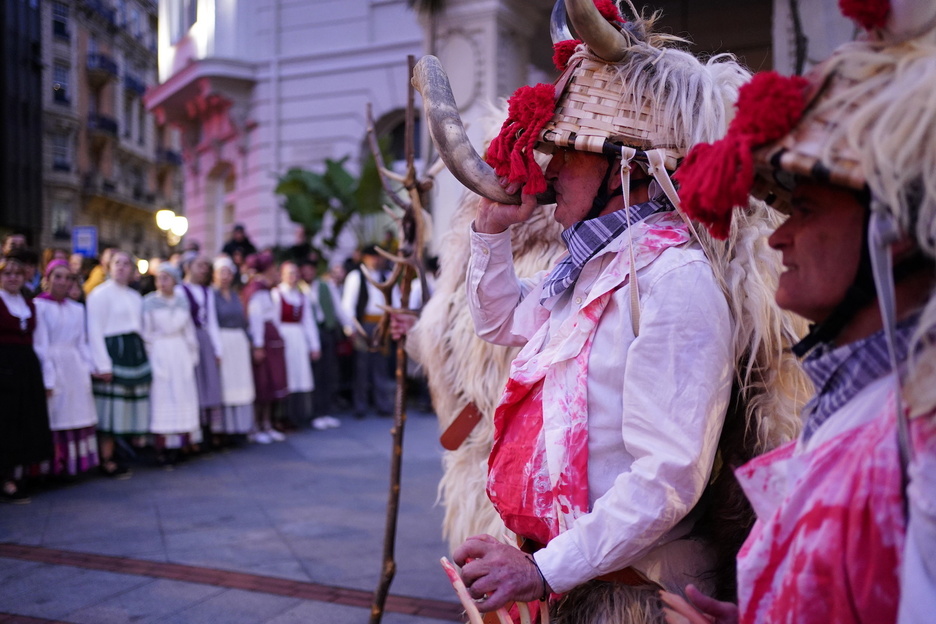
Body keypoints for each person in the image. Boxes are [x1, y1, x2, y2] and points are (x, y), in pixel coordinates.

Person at [416, 1, 807, 621]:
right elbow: (502, 324)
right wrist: (490, 234)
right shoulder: (596, 266)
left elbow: (667, 478)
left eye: (569, 153)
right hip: (577, 580)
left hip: (632, 594)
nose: (549, 175)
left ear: (625, 167)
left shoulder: (673, 279)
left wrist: (540, 569)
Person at [661, 2, 936, 623]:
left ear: (893, 227)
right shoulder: (871, 401)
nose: (778, 238)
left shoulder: (923, 435)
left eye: (805, 210)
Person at [86, 250, 151, 478]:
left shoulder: (135, 296)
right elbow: (94, 330)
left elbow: (142, 329)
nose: (122, 267)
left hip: (133, 352)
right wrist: (102, 364)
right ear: (108, 267)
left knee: (128, 406)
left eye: (126, 264)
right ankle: (107, 458)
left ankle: (122, 452)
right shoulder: (99, 295)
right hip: (114, 351)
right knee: (111, 408)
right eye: (117, 263)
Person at [32, 260, 99, 478]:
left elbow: (82, 342)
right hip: (53, 364)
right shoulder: (38, 306)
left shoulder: (77, 309)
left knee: (77, 413)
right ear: (47, 279)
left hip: (74, 367)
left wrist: (90, 367)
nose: (62, 282)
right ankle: (55, 466)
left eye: (67, 277)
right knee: (56, 415)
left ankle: (76, 465)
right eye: (57, 276)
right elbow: (40, 344)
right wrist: (48, 378)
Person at [0, 256, 52, 503]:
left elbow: (40, 342)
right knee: (5, 421)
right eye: (7, 273)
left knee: (23, 420)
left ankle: (19, 473)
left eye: (17, 274)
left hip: (26, 367)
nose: (12, 278)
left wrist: (46, 377)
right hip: (3, 365)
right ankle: (5, 479)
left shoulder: (28, 303)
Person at [141, 264, 201, 466]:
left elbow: (189, 332)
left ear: (174, 280)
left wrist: (192, 355)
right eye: (159, 278)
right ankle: (161, 447)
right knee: (162, 397)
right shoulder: (149, 302)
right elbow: (147, 333)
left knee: (183, 396)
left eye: (166, 278)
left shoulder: (182, 302)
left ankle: (181, 445)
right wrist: (152, 357)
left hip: (180, 353)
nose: (162, 282)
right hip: (161, 352)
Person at [340, 245, 394, 417]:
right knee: (361, 367)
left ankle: (382, 404)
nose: (376, 260)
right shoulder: (356, 276)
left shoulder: (387, 276)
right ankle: (360, 405)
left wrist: (394, 324)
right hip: (364, 325)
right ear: (364, 258)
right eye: (372, 256)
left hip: (382, 325)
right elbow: (347, 305)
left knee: (380, 367)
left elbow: (396, 302)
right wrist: (350, 328)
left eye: (378, 257)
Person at [242, 251, 289, 443]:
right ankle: (257, 425)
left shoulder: (267, 290)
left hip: (273, 342)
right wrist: (258, 346)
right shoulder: (257, 291)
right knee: (262, 384)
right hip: (265, 343)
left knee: (271, 384)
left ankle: (267, 424)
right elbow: (256, 320)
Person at [272, 260, 321, 429]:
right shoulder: (277, 294)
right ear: (282, 275)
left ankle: (299, 414)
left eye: (295, 273)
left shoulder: (301, 296)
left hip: (298, 338)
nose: (293, 277)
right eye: (289, 273)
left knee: (300, 376)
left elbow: (308, 321)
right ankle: (282, 416)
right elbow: (275, 320)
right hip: (285, 338)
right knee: (286, 375)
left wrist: (314, 345)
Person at [302, 259, 352, 423]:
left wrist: (349, 327)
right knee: (313, 375)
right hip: (308, 336)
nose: (308, 273)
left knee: (328, 372)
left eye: (311, 269)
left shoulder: (325, 286)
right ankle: (314, 412)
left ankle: (325, 410)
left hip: (326, 332)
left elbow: (338, 309)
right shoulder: (299, 289)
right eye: (305, 269)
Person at [180, 253, 224, 442]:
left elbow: (212, 321)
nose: (204, 270)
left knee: (209, 384)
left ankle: (208, 430)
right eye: (200, 265)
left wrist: (217, 349)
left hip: (204, 338)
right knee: (194, 383)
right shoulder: (180, 290)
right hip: (189, 340)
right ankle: (194, 433)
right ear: (188, 267)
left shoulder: (208, 292)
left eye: (206, 266)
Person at [212, 255, 256, 439]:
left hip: (238, 343)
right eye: (221, 272)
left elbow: (244, 321)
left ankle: (242, 426)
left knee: (241, 382)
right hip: (223, 340)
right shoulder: (211, 295)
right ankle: (224, 429)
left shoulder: (237, 295)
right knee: (226, 384)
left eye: (228, 272)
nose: (225, 276)